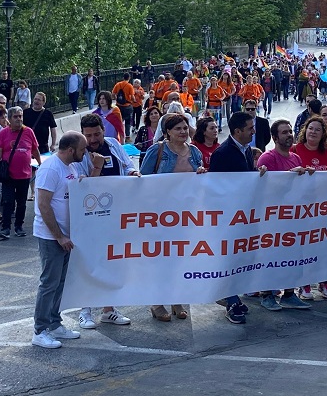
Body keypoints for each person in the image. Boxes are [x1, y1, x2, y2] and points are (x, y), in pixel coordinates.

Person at [73, 114, 138, 330]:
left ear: (104, 131)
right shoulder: (79, 154)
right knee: (90, 263)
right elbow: (82, 188)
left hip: (116, 214)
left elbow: (127, 166)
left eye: (96, 134)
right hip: (90, 217)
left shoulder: (114, 144)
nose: (92, 139)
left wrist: (133, 172)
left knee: (112, 261)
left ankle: (109, 310)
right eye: (88, 135)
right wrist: (96, 168)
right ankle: (85, 310)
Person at [140, 113, 206, 322]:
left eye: (185, 128)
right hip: (161, 215)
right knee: (161, 259)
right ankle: (157, 302)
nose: (183, 132)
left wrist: (203, 173)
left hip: (187, 215)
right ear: (168, 131)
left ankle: (176, 299)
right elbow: (144, 180)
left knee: (180, 258)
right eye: (178, 128)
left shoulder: (195, 152)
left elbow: (200, 181)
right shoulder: (157, 151)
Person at [31, 131, 87, 348]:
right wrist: (59, 236)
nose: (85, 153)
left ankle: (54, 322)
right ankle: (40, 330)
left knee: (61, 282)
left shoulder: (70, 167)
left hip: (66, 237)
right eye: (82, 149)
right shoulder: (50, 169)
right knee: (49, 283)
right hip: (52, 237)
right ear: (71, 150)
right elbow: (43, 205)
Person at [210, 111, 267, 323]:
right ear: (237, 131)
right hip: (228, 218)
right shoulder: (223, 153)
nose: (254, 132)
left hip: (242, 216)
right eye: (250, 128)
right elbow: (217, 188)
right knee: (229, 259)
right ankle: (231, 301)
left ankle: (234, 296)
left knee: (239, 257)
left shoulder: (244, 151)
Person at [255, 119, 314, 311]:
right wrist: (290, 174)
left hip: (292, 217)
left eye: (290, 131)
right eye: (284, 132)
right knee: (271, 256)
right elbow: (265, 189)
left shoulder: (296, 158)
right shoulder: (267, 158)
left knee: (293, 254)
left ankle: (289, 294)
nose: (289, 135)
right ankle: (267, 295)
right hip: (272, 219)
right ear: (274, 137)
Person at [291, 115, 327, 300]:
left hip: (325, 209)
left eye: (318, 130)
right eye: (310, 128)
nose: (313, 132)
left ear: (323, 134)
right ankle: (304, 285)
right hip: (302, 210)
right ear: (305, 130)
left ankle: (324, 282)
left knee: (324, 247)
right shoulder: (294, 150)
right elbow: (285, 175)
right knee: (304, 247)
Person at [0, 106, 41, 240]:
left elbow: (35, 150)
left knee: (21, 202)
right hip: (8, 175)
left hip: (24, 175)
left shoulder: (28, 132)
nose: (19, 119)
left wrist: (41, 164)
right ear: (9, 118)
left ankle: (19, 226)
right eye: (16, 117)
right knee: (8, 201)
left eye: (20, 116)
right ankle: (6, 228)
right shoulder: (3, 134)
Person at [23, 91, 59, 201]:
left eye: (39, 100)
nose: (36, 101)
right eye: (35, 99)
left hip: (43, 146)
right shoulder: (26, 112)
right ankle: (33, 192)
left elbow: (53, 129)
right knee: (32, 169)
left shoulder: (47, 114)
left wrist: (53, 144)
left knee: (44, 170)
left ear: (43, 102)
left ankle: (44, 190)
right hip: (28, 147)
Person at [112, 73, 135, 137]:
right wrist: (134, 101)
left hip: (118, 106)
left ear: (123, 77)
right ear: (129, 78)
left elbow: (113, 94)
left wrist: (117, 99)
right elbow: (132, 97)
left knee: (119, 120)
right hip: (127, 106)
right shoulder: (129, 86)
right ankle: (127, 135)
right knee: (128, 121)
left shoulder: (118, 84)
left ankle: (118, 134)